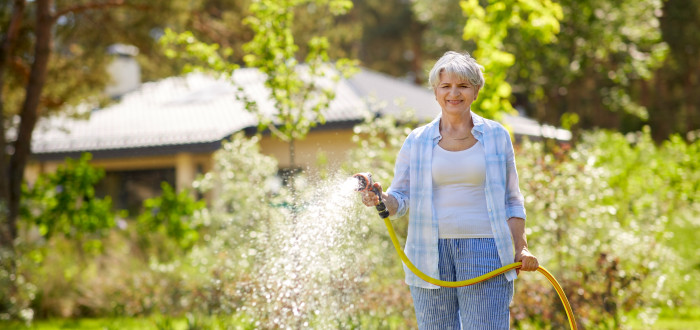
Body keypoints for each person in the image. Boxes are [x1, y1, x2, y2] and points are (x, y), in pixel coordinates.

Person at [360, 51, 539, 329]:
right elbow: (400, 199)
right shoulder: (417, 140)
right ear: (435, 91)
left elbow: (512, 200)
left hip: (486, 251)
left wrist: (522, 249)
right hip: (427, 252)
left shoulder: (496, 136)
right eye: (446, 86)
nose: (454, 93)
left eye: (463, 86)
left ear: (476, 91)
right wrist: (380, 199)